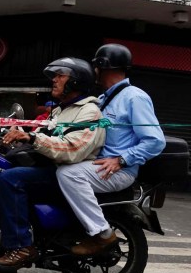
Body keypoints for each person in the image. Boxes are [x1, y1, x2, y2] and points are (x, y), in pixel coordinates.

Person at [0, 57, 106, 273]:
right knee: (5, 170)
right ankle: (2, 252)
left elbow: (73, 149)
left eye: (60, 76)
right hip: (52, 167)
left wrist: (32, 139)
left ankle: (21, 248)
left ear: (75, 82)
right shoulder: (62, 110)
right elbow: (45, 134)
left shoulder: (89, 111)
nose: (54, 80)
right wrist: (16, 134)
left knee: (11, 178)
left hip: (67, 172)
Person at [57, 44, 166, 256]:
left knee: (68, 174)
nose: (94, 71)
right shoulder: (105, 98)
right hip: (98, 165)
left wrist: (121, 160)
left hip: (117, 170)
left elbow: (155, 140)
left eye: (96, 66)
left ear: (103, 67)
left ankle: (102, 235)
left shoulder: (134, 97)